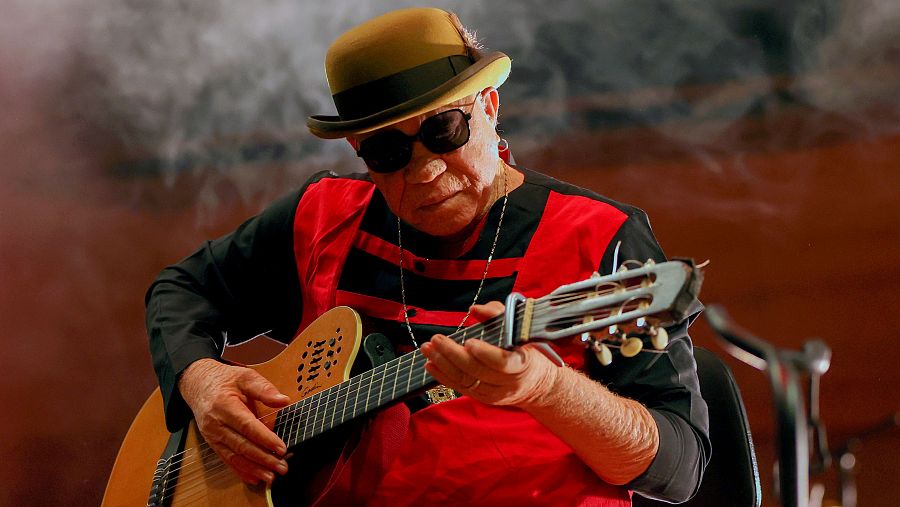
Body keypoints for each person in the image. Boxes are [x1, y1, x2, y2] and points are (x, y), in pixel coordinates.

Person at [146, 7, 710, 506]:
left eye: (444, 129)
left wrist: (551, 390)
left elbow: (680, 469)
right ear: (358, 151)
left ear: (489, 107)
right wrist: (201, 380)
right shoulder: (320, 216)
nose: (427, 171)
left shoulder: (601, 236)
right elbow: (181, 290)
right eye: (389, 150)